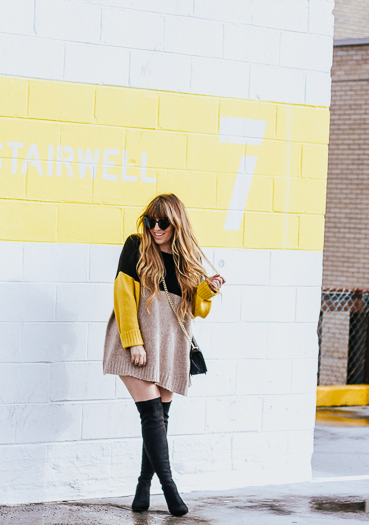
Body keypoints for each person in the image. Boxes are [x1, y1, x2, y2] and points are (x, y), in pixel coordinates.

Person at [102, 193, 225, 517]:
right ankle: (170, 490)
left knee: (159, 420)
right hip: (137, 343)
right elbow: (123, 297)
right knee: (152, 417)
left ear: (176, 224)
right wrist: (133, 341)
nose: (155, 228)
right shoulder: (136, 247)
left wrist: (207, 290)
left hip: (170, 344)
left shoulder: (187, 261)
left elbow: (196, 310)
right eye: (150, 221)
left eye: (163, 223)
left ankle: (143, 486)